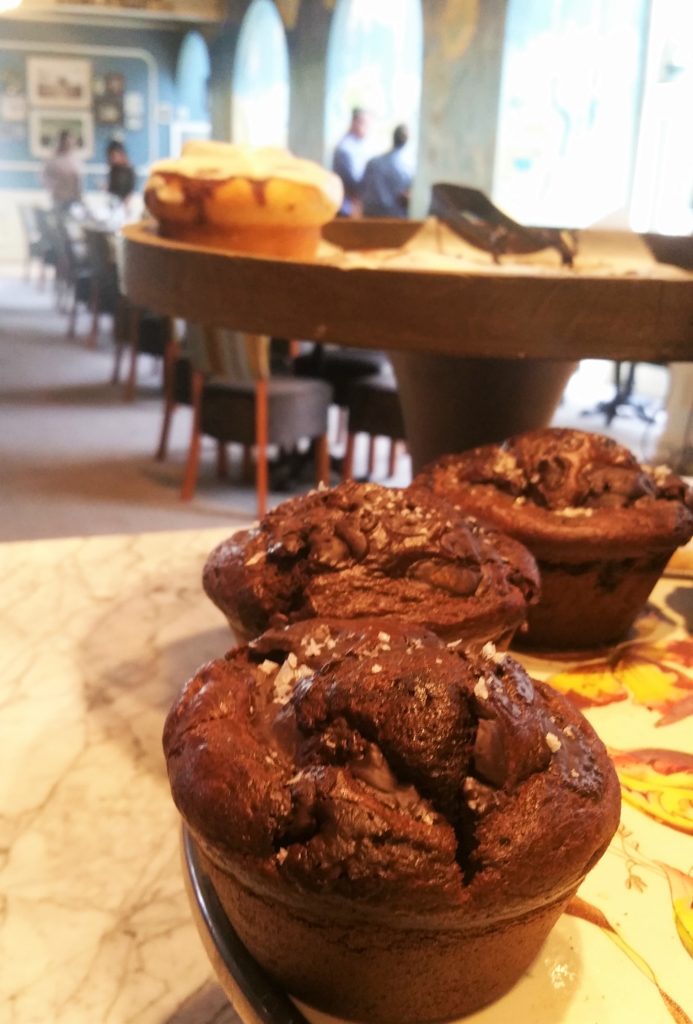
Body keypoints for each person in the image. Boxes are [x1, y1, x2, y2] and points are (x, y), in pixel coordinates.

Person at [360, 124, 412, 218]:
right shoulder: (407, 170)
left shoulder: (372, 163)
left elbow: (361, 189)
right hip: (394, 221)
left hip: (368, 218)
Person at [332, 107, 370, 217]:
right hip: (346, 207)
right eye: (364, 123)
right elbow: (352, 183)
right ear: (354, 122)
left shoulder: (358, 146)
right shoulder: (345, 148)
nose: (367, 128)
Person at [42, 129, 83, 212]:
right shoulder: (53, 159)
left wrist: (79, 196)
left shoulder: (75, 159)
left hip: (74, 198)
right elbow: (45, 178)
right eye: (66, 142)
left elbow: (78, 180)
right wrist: (54, 188)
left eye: (71, 142)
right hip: (59, 198)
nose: (69, 144)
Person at [106, 139, 136, 205]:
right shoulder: (113, 170)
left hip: (126, 202)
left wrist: (127, 200)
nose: (113, 159)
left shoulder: (128, 169)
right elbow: (112, 188)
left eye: (114, 156)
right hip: (114, 200)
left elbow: (131, 187)